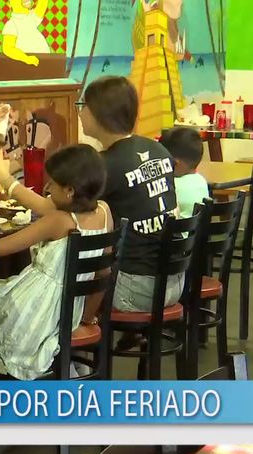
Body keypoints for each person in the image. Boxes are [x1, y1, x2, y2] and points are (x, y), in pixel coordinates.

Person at [0, 145, 112, 380]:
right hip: (67, 311)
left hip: (35, 309)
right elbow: (104, 273)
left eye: (52, 184)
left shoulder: (58, 220)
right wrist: (86, 316)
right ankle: (64, 367)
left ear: (69, 191)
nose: (47, 188)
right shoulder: (104, 211)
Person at [77, 76, 183, 317]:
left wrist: (5, 178)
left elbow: (65, 211)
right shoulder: (159, 149)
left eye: (83, 106)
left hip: (136, 290)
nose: (80, 113)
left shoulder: (105, 165)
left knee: (59, 278)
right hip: (175, 282)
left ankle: (68, 335)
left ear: (99, 114)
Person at [159, 127, 207, 218]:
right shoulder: (201, 181)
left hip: (176, 227)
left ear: (175, 163)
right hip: (196, 227)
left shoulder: (171, 187)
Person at [1, 0, 51, 66]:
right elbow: (8, 48)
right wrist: (26, 58)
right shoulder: (11, 24)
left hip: (45, 62)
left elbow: (42, 4)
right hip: (27, 65)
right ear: (10, 4)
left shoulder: (30, 17)